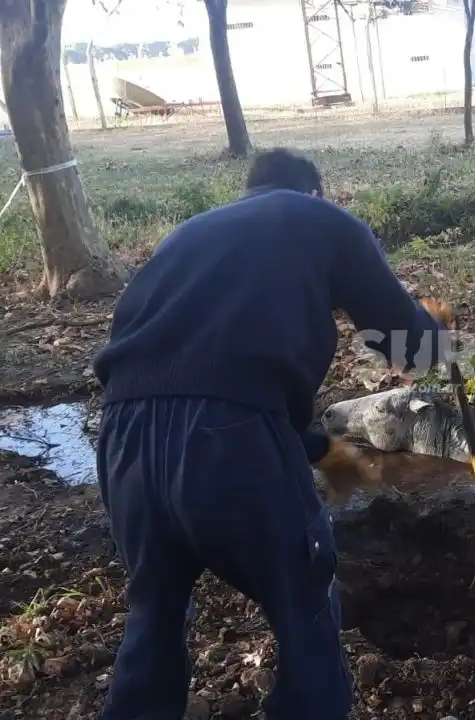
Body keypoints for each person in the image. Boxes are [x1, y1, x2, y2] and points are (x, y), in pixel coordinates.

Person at [92, 147, 452, 719]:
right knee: (303, 601)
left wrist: (316, 449)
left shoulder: (189, 234)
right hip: (226, 440)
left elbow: (202, 372)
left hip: (123, 437)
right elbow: (407, 346)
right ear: (314, 190)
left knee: (154, 608)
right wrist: (444, 330)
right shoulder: (322, 220)